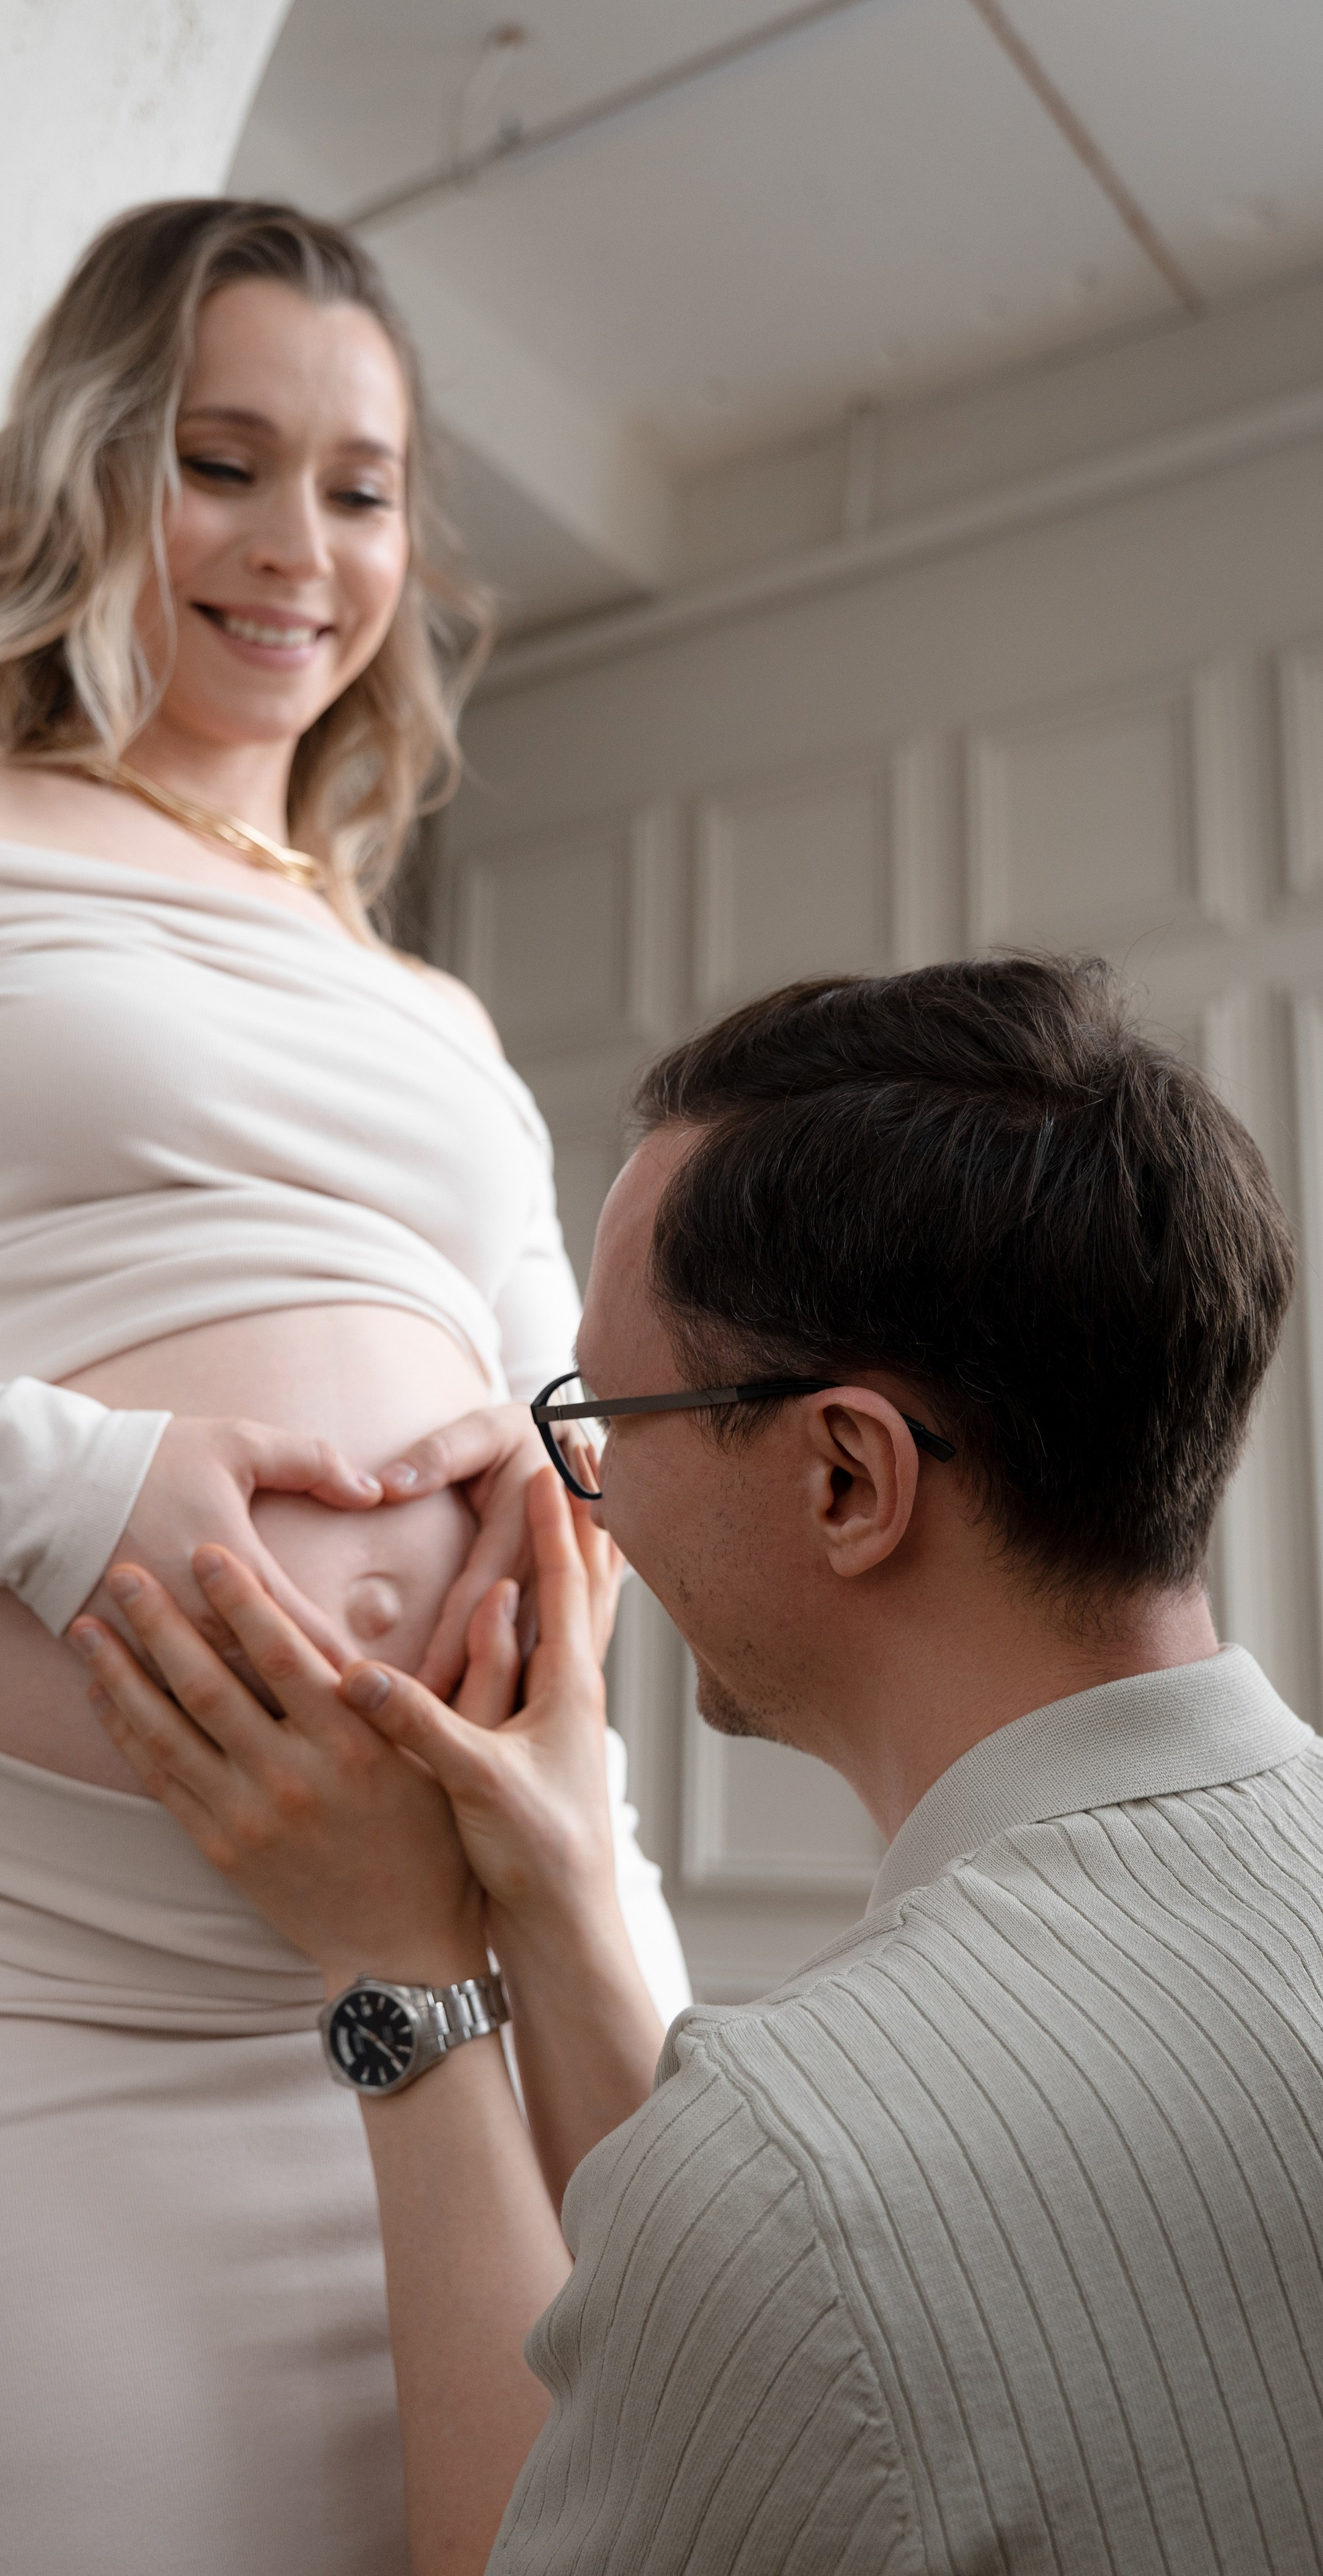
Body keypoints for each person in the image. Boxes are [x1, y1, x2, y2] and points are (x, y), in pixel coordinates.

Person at [0, 199, 689, 2576]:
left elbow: (558, 1418)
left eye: (365, 485)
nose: (299, 547)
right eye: (225, 459)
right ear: (99, 463)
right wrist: (67, 1487)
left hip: (479, 1990)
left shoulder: (435, 1013)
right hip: (22, 2022)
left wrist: (556, 1541)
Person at [80, 956, 1323, 2575]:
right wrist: (562, 1892)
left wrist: (399, 1974)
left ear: (842, 1477)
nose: (584, 1498)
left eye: (603, 1411)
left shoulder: (801, 2178)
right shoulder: (789, 2180)